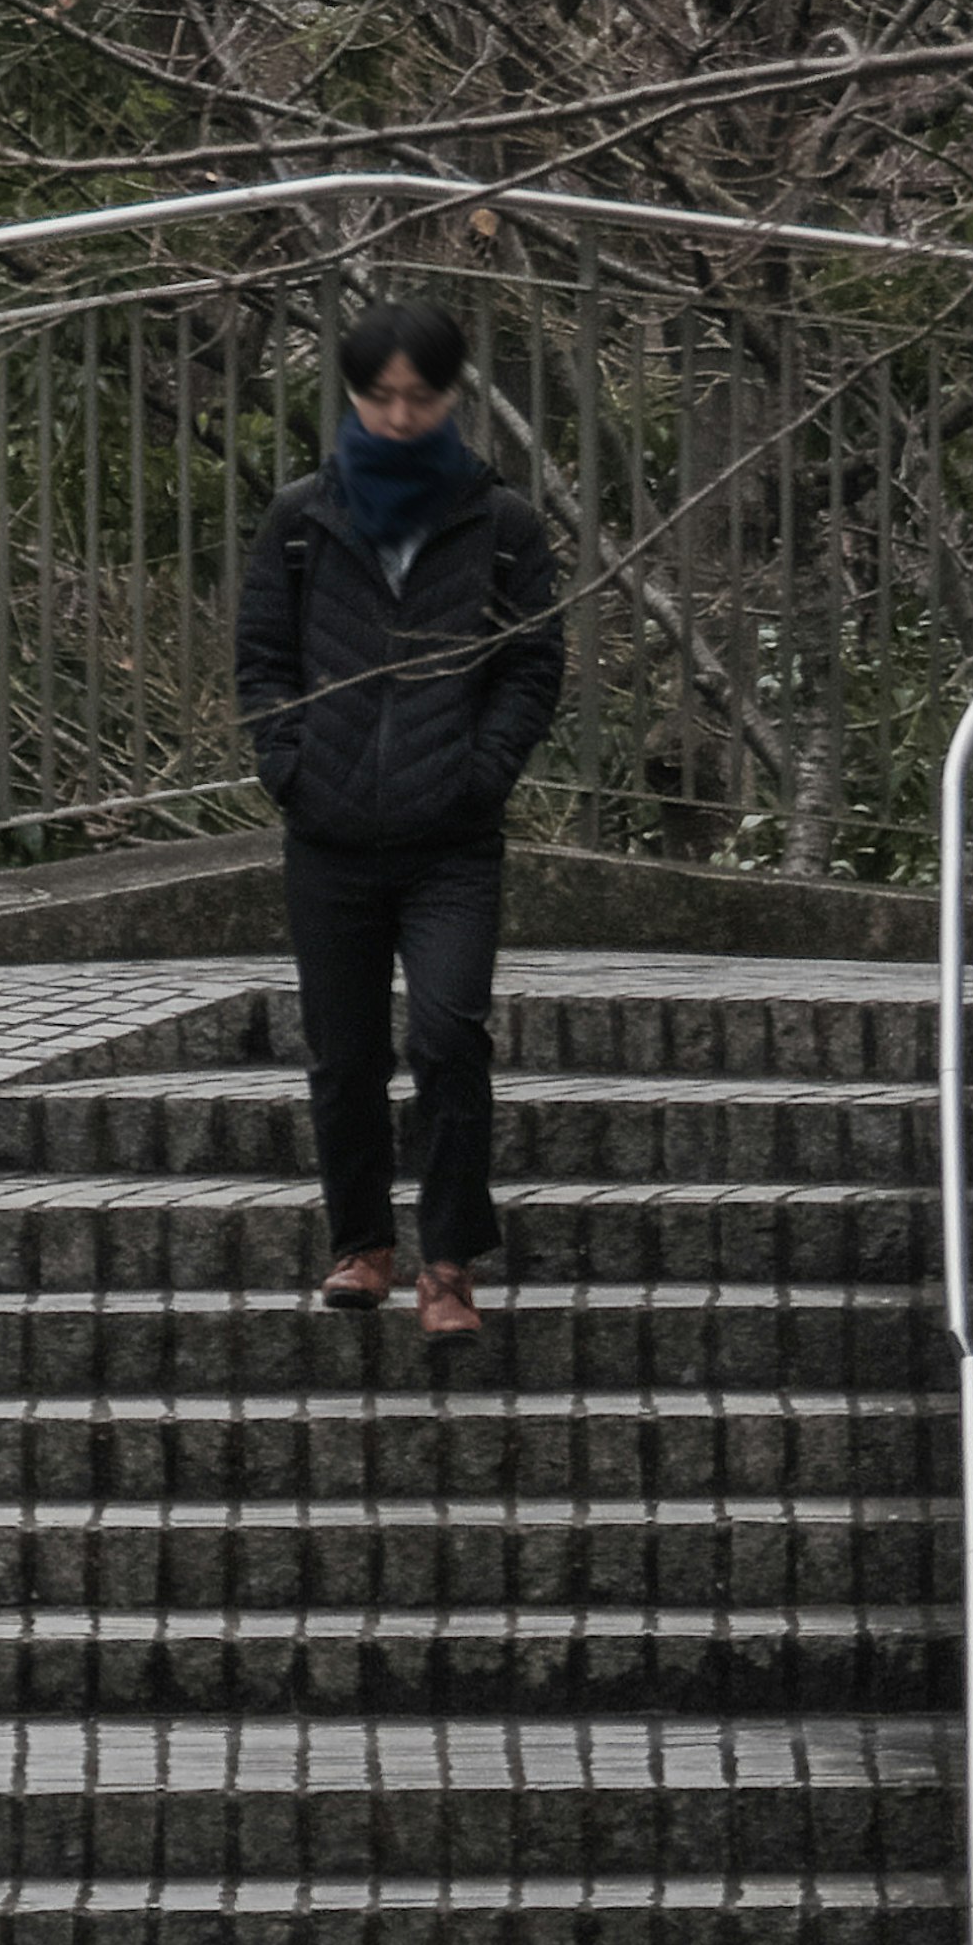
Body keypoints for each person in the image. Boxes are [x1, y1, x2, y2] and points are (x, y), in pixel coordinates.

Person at [233, 295, 562, 1345]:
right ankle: (361, 1245)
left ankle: (450, 1262)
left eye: (420, 397)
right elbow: (262, 658)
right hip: (328, 833)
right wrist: (290, 769)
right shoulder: (302, 515)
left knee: (448, 1035)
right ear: (353, 395)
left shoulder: (502, 523)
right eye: (379, 396)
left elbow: (534, 664)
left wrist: (483, 771)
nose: (399, 415)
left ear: (454, 396)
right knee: (343, 1051)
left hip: (451, 840)